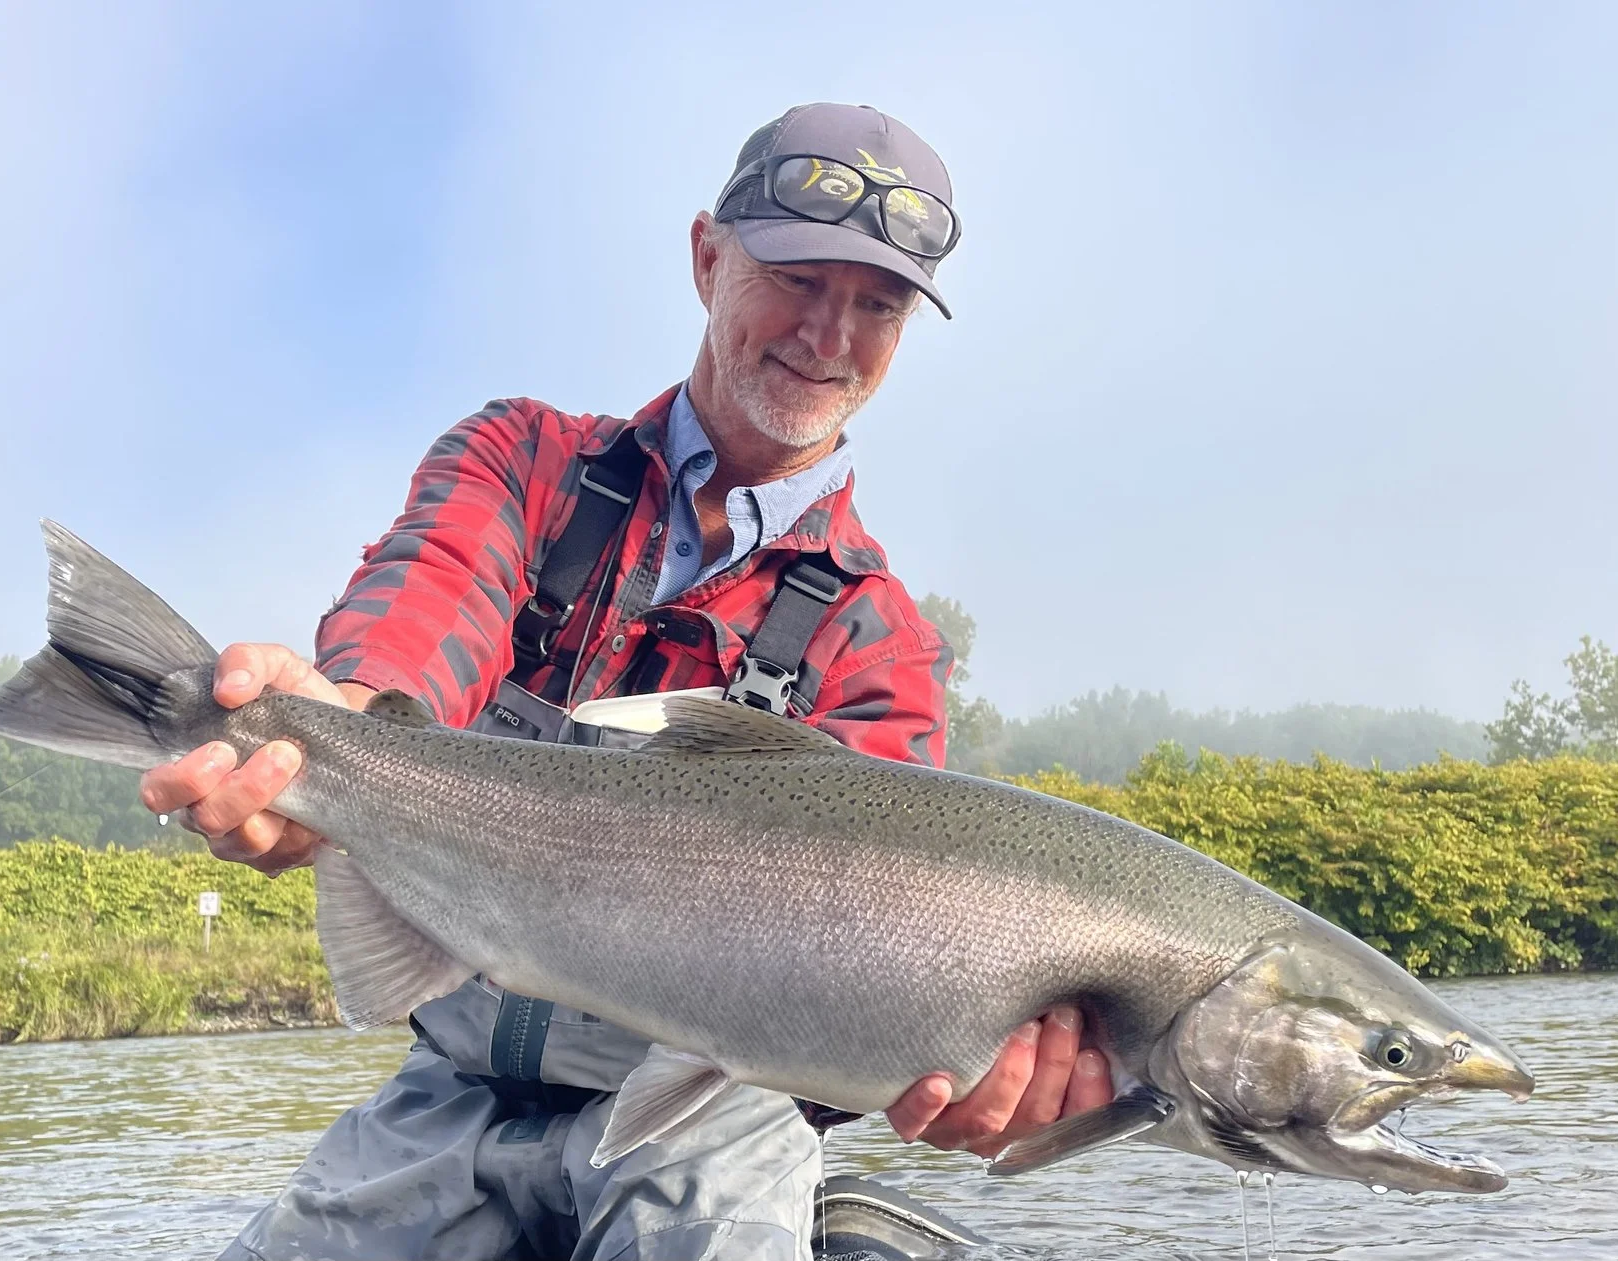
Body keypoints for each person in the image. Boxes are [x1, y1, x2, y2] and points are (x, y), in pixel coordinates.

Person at [143, 103, 1112, 1261]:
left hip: (714, 1122)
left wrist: (953, 1080)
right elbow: (429, 598)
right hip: (445, 1092)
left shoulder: (881, 647)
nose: (830, 334)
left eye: (879, 303)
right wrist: (340, 724)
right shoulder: (527, 463)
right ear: (706, 257)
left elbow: (877, 979)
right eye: (796, 278)